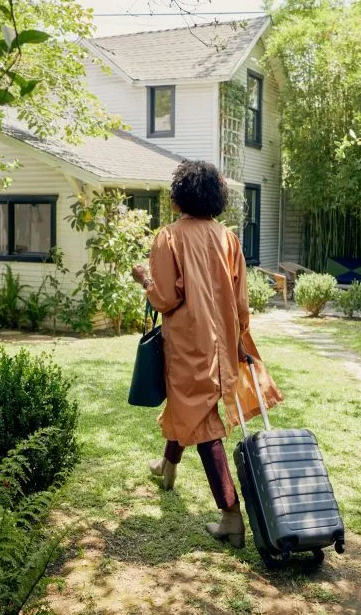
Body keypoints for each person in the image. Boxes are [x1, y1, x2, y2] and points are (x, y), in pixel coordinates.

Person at [130, 160, 279, 550]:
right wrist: (240, 340)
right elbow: (242, 304)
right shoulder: (228, 240)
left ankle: (231, 516)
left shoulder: (169, 237)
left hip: (188, 345)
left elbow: (165, 298)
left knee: (204, 423)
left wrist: (144, 278)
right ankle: (167, 468)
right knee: (190, 408)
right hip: (224, 343)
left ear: (179, 197)